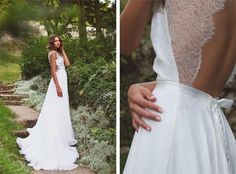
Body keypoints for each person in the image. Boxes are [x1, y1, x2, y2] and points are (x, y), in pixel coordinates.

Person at [121, 0, 236, 173]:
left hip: (171, 124)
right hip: (211, 131)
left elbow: (123, 42)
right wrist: (147, 87)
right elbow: (195, 86)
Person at [16, 35, 79, 170]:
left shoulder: (59, 52)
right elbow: (53, 72)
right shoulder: (51, 54)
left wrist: (63, 50)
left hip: (63, 79)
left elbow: (67, 64)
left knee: (61, 108)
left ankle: (64, 133)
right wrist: (57, 87)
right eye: (55, 41)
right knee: (55, 108)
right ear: (51, 43)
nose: (58, 42)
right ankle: (53, 134)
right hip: (58, 83)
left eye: (59, 40)